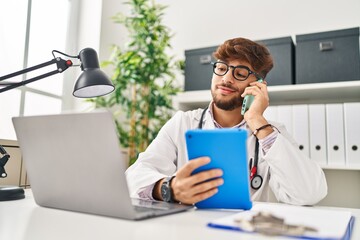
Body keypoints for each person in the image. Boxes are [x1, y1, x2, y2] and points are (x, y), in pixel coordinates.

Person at [125, 37, 327, 206]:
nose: (227, 78)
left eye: (240, 73)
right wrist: (170, 188)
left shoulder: (270, 134)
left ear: (257, 86)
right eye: (221, 68)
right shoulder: (183, 122)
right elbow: (134, 175)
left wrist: (258, 121)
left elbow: (309, 193)